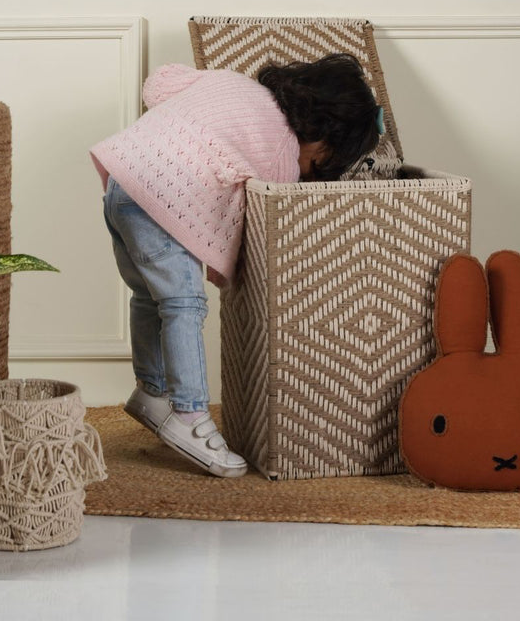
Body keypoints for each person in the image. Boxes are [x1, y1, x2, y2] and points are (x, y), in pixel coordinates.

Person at [90, 54, 382, 477]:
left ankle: (151, 390)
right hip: (161, 200)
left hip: (123, 180)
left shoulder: (230, 82)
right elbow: (270, 218)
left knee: (147, 295)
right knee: (183, 305)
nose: (313, 171)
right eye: (322, 163)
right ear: (322, 137)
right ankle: (190, 416)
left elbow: (160, 85)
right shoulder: (282, 151)